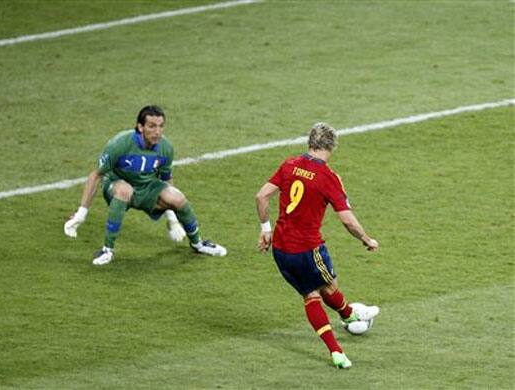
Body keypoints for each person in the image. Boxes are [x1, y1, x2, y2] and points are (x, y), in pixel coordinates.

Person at [255, 122, 379, 369]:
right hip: (308, 248)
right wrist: (366, 238)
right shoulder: (328, 177)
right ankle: (348, 323)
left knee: (310, 294)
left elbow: (261, 196)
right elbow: (347, 220)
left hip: (280, 249)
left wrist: (265, 229)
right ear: (332, 146)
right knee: (328, 287)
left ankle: (343, 335)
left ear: (309, 143)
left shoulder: (290, 164)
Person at [64, 105, 227, 265]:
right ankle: (107, 250)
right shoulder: (120, 144)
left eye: (161, 126)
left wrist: (172, 219)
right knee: (124, 190)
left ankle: (197, 244)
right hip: (116, 184)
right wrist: (81, 213)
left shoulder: (165, 148)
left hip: (147, 187)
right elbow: (96, 175)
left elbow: (166, 180)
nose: (157, 132)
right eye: (152, 126)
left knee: (178, 197)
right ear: (140, 127)